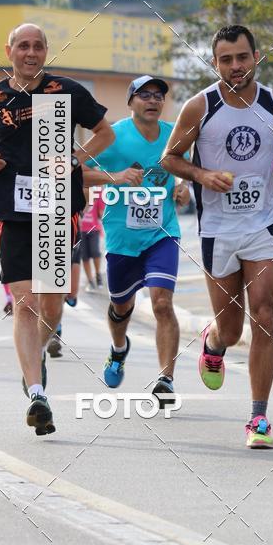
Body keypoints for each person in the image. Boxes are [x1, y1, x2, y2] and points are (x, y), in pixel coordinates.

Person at [161, 25, 273, 448]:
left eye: (242, 57)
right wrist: (202, 174)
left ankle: (258, 419)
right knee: (232, 329)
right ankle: (213, 341)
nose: (235, 67)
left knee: (264, 316)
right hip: (217, 230)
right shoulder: (199, 107)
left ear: (256, 57)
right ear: (215, 63)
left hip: (263, 225)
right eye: (226, 60)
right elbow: (169, 158)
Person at [0, 23, 114, 436]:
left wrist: (75, 156)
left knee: (51, 306)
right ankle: (37, 393)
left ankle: (40, 355)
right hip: (13, 211)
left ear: (46, 51)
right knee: (25, 302)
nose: (30, 53)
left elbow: (105, 131)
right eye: (23, 46)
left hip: (55, 210)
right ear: (9, 50)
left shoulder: (64, 91)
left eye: (37, 46)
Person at [83, 75, 189, 403]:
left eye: (158, 96)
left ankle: (166, 379)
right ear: (131, 102)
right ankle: (118, 349)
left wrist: (185, 186)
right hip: (121, 239)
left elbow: (190, 167)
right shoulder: (113, 137)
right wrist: (113, 176)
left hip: (162, 233)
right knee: (121, 307)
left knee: (162, 302)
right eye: (144, 95)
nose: (153, 101)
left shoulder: (175, 134)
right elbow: (75, 169)